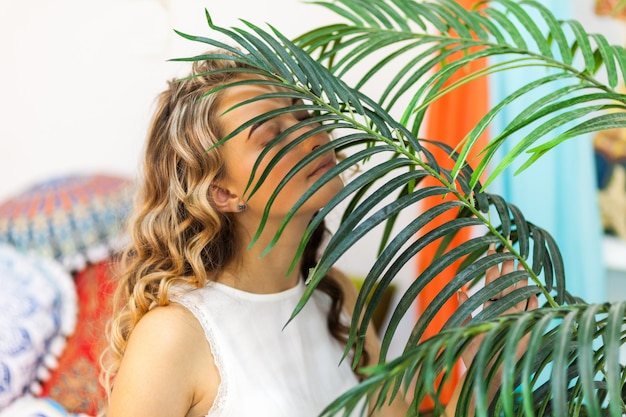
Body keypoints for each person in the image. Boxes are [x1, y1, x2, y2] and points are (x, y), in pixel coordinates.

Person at [101, 50, 537, 417]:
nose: (312, 135)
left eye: (305, 114)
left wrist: (490, 365)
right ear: (222, 192)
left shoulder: (336, 299)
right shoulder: (172, 337)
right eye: (271, 135)